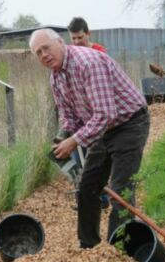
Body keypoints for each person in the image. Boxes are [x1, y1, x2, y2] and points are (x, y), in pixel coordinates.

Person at [30, 29, 150, 249]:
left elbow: (106, 113)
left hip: (129, 124)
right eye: (38, 53)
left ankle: (118, 251)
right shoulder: (56, 76)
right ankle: (88, 246)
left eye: (46, 48)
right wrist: (63, 137)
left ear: (60, 42)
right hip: (103, 130)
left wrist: (74, 141)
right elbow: (69, 115)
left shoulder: (87, 63)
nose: (44, 55)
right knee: (88, 187)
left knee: (120, 189)